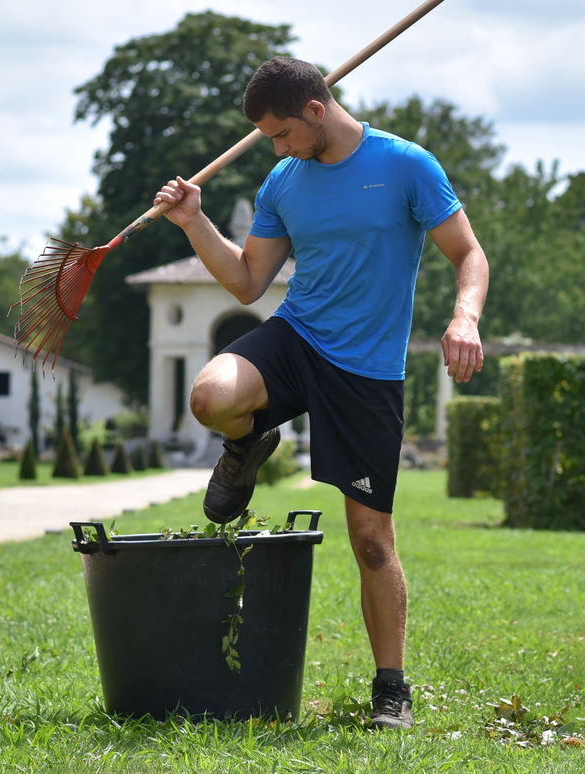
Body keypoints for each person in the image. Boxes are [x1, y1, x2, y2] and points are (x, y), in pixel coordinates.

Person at [153, 56, 488, 730]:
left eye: (279, 134)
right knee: (211, 395)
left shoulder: (406, 166)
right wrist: (193, 221)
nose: (275, 149)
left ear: (314, 109)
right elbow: (249, 283)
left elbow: (468, 254)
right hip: (297, 338)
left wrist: (463, 317)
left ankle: (390, 688)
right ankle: (247, 445)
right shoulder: (285, 180)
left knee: (370, 540)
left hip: (365, 371)